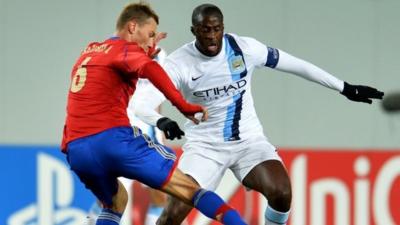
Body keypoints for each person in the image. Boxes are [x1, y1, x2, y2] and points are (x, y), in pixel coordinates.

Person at [132, 4, 384, 225]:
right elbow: (141, 104)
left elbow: (296, 65)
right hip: (204, 148)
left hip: (249, 142)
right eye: (205, 30)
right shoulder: (179, 64)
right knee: (173, 215)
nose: (211, 36)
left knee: (282, 192)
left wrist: (343, 87)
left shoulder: (244, 48)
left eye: (216, 29)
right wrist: (162, 120)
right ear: (194, 31)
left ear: (222, 27)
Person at [61, 3, 247, 225]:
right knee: (190, 190)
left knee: (116, 201)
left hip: (76, 149)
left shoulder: (90, 50)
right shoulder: (125, 50)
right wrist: (183, 105)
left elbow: (109, 81)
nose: (151, 42)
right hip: (113, 140)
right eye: (149, 35)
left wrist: (142, 53)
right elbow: (150, 69)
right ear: (132, 27)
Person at [86, 48, 169, 225]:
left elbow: (156, 99)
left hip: (147, 136)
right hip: (122, 136)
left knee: (160, 195)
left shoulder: (160, 56)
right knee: (110, 199)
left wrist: (160, 135)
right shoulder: (118, 55)